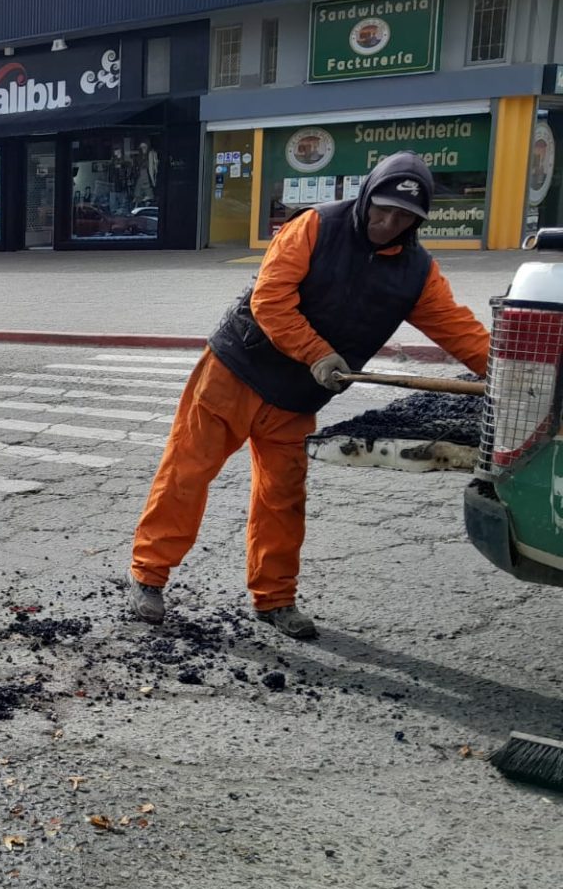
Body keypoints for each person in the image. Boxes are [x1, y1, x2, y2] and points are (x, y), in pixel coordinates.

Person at [127, 151, 491, 640]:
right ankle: (148, 577)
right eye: (382, 208)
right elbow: (270, 300)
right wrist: (317, 352)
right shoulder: (315, 226)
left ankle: (275, 599)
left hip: (296, 397)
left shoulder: (416, 273)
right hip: (235, 371)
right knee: (186, 474)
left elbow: (461, 331)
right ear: (366, 196)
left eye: (404, 216)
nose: (388, 222)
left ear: (419, 221)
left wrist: (516, 373)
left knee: (283, 499)